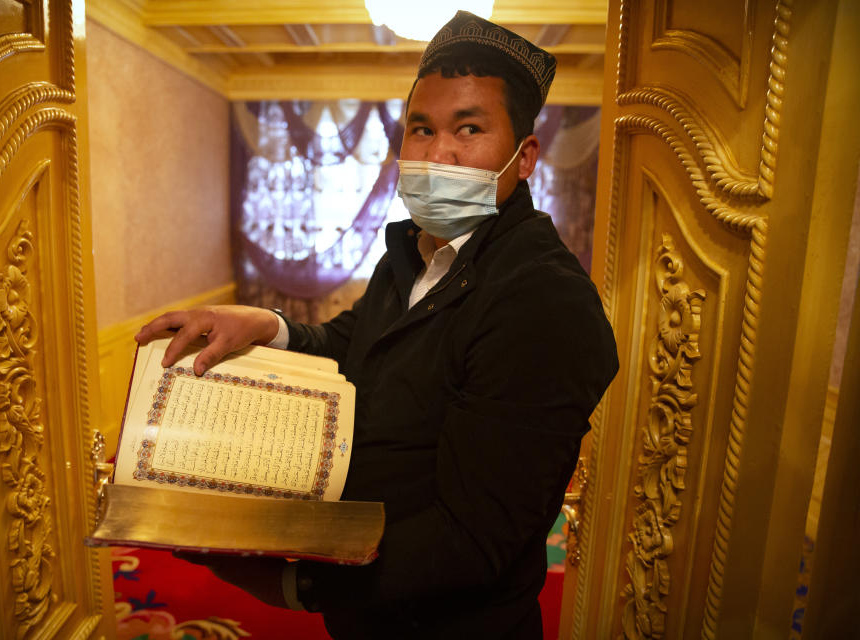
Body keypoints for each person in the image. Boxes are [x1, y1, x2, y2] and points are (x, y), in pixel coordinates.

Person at [135, 11, 618, 639]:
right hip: (368, 613)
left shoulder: (544, 302)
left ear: (524, 157)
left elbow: (470, 539)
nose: (436, 153)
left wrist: (296, 585)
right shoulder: (416, 251)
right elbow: (352, 344)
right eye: (421, 129)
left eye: (468, 128)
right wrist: (266, 323)